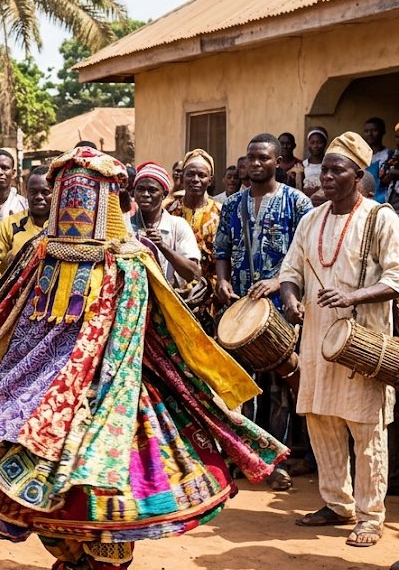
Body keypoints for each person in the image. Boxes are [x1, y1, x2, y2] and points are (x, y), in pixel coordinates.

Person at [0, 147, 286, 570]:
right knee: (29, 493)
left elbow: (142, 331)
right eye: (69, 192)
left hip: (121, 388)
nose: (74, 204)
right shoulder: (40, 254)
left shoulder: (129, 261)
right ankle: (69, 564)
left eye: (86, 194)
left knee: (109, 503)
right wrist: (4, 392)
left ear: (108, 198)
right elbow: (11, 328)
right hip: (39, 391)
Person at [279, 132, 399, 549]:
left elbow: (395, 277)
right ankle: (336, 503)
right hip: (315, 338)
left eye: (336, 169)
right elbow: (289, 271)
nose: (326, 176)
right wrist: (292, 300)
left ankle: (370, 515)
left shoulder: (380, 218)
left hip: (362, 340)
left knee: (366, 428)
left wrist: (352, 296)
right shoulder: (310, 219)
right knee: (321, 420)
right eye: (324, 169)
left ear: (358, 174)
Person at [215, 133, 312, 490]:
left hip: (280, 311)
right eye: (251, 158)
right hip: (240, 309)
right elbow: (221, 250)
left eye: (264, 158)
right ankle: (245, 456)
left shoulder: (297, 203)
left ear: (277, 162)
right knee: (242, 386)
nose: (256, 164)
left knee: (279, 388)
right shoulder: (232, 205)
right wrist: (223, 282)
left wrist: (279, 282)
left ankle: (276, 461)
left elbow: (305, 257)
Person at [166, 150, 220, 326]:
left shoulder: (221, 212)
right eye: (190, 174)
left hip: (211, 297)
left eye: (202, 175)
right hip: (174, 294)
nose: (195, 179)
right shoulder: (168, 211)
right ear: (182, 177)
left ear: (210, 180)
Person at [129, 162, 201, 286]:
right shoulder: (124, 224)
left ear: (164, 195)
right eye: (140, 189)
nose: (145, 194)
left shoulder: (178, 225)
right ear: (133, 193)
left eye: (152, 190)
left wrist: (162, 246)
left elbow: (193, 274)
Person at [0, 166, 51, 281]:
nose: (39, 197)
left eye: (45, 192)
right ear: (26, 192)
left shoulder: (64, 227)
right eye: (33, 192)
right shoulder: (9, 225)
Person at [362, 117, 394, 203]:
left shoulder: (390, 156)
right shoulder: (360, 156)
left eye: (374, 130)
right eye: (366, 131)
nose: (370, 134)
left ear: (382, 132)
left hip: (384, 202)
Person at [302, 127, 328, 199]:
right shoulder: (303, 165)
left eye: (319, 142)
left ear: (325, 143)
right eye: (312, 142)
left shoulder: (329, 164)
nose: (315, 146)